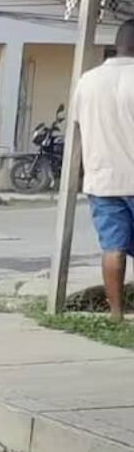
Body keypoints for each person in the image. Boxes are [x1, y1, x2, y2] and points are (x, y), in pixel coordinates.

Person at [74, 18, 134, 322]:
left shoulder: (88, 80)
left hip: (102, 180)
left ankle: (116, 314)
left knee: (113, 248)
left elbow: (78, 125)